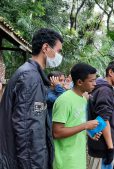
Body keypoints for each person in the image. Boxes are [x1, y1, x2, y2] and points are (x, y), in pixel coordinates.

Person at [0, 28, 63, 168]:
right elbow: (28, 132)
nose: (59, 56)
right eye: (58, 51)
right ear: (46, 47)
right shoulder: (30, 78)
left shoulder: (31, 74)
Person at [52, 63, 100, 169]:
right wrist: (85, 126)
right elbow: (57, 132)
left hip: (78, 157)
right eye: (91, 81)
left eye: (95, 80)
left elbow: (75, 123)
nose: (95, 83)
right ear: (79, 82)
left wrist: (88, 132)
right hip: (65, 161)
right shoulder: (64, 100)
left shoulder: (83, 99)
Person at [88, 61, 114, 169]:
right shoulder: (105, 90)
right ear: (110, 72)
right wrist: (110, 148)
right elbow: (104, 119)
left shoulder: (107, 88)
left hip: (101, 146)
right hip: (103, 149)